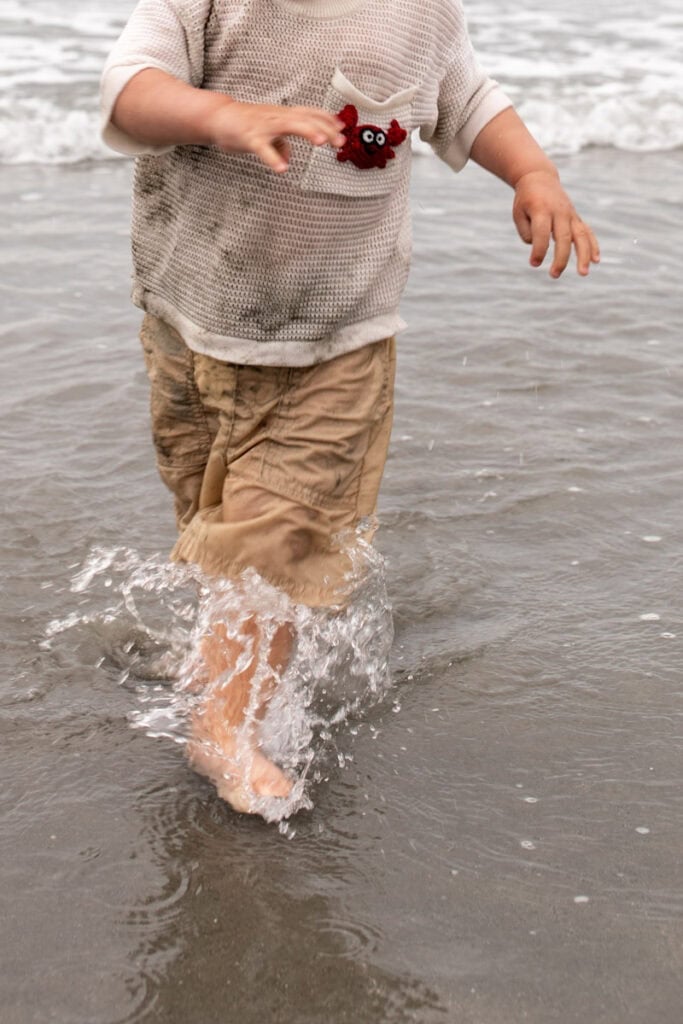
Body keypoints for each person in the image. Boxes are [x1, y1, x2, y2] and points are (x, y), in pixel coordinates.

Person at [100, 0, 600, 815]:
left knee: (276, 532)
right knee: (212, 516)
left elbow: (468, 101)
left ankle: (224, 728)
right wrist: (221, 115)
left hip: (339, 338)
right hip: (195, 323)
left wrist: (532, 173)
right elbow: (128, 89)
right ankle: (223, 661)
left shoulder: (419, 10)